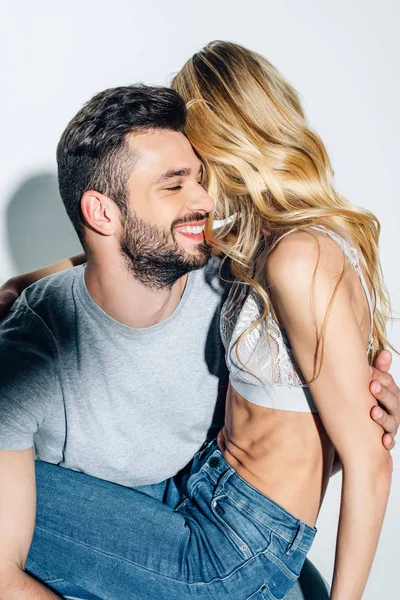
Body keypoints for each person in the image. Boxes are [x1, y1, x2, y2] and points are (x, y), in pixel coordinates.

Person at [0, 56, 398, 600]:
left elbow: (369, 465)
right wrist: (22, 287)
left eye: (197, 165)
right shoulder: (261, 253)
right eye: (176, 179)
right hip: (205, 495)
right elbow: (128, 249)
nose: (202, 195)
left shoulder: (296, 260)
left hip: (233, 547)